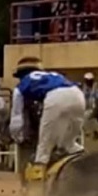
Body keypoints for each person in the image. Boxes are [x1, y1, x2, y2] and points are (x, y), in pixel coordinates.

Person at [9, 57, 86, 186]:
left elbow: (17, 118)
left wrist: (18, 136)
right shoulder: (54, 76)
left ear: (21, 74)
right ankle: (84, 162)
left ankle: (36, 190)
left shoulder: (21, 86)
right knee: (69, 144)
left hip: (56, 97)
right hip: (78, 95)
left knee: (43, 148)